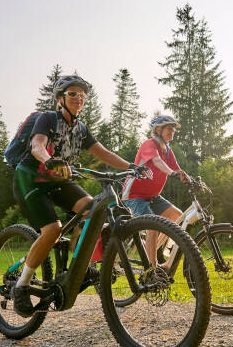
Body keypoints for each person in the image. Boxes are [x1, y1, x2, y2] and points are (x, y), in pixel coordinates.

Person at [12, 74, 149, 317]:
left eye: (82, 94)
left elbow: (103, 153)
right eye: (73, 93)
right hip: (30, 179)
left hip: (59, 180)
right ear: (61, 98)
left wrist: (132, 166)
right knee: (52, 230)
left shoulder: (81, 129)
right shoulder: (47, 118)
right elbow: (37, 146)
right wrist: (50, 160)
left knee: (93, 211)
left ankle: (79, 267)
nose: (79, 97)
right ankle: (21, 286)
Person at [121, 115, 190, 271]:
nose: (172, 131)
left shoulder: (167, 150)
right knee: (153, 225)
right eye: (169, 128)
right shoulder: (149, 144)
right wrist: (171, 173)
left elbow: (177, 169)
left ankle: (155, 256)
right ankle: (151, 269)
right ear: (158, 130)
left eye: (173, 129)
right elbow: (158, 162)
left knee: (177, 217)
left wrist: (189, 179)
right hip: (134, 196)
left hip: (152, 196)